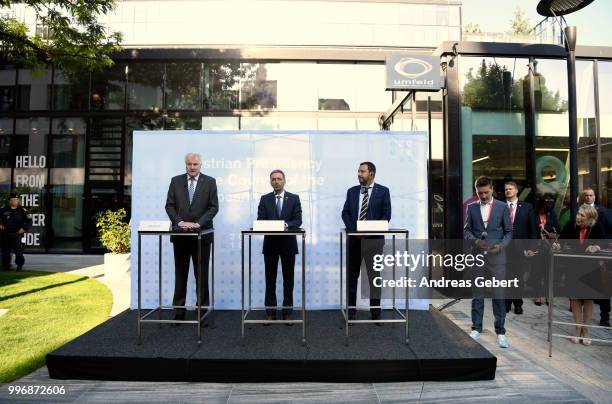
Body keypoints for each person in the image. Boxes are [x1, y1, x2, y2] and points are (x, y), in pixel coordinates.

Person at [165, 153, 219, 324]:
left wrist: (198, 224)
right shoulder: (176, 181)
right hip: (180, 236)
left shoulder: (210, 182)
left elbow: (213, 207)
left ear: (200, 164)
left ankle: (201, 312)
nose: (192, 167)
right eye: (189, 164)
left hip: (202, 236)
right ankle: (179, 311)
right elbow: (169, 205)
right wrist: (179, 222)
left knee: (201, 275)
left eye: (195, 164)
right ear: (185, 165)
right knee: (180, 274)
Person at [464, 176, 512, 348]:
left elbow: (509, 232)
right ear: (476, 191)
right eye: (479, 193)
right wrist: (475, 241)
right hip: (478, 256)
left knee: (499, 294)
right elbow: (467, 230)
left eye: (486, 192)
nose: (483, 196)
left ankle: (500, 332)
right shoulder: (471, 207)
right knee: (477, 294)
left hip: (497, 257)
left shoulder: (502, 207)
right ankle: (476, 327)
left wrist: (501, 246)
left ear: (492, 189)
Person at [341, 162, 391, 321]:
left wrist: (369, 232)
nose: (359, 174)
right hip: (354, 241)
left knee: (374, 278)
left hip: (374, 242)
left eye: (362, 171)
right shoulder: (351, 191)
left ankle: (376, 313)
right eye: (358, 171)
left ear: (372, 173)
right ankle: (351, 312)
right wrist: (355, 230)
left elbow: (386, 215)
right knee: (352, 277)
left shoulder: (383, 191)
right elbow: (345, 213)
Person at [257, 170, 302, 322]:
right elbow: (260, 220)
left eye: (279, 179)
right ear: (270, 182)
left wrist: (285, 224)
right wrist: (272, 225)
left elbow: (298, 220)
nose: (276, 181)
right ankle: (270, 312)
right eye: (273, 179)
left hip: (288, 245)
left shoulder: (294, 198)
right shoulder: (265, 199)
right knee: (270, 280)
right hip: (270, 245)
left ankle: (287, 312)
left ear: (284, 181)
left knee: (288, 280)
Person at [558, 205, 605, 345]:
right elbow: (561, 241)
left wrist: (596, 247)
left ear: (590, 218)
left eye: (582, 216)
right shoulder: (569, 225)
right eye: (578, 213)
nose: (578, 217)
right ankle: (577, 329)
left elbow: (603, 242)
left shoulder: (597, 227)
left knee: (588, 299)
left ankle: (586, 330)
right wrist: (557, 246)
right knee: (575, 298)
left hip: (591, 268)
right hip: (573, 267)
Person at [503, 181, 537, 315]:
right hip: (504, 247)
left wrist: (532, 248)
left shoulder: (527, 207)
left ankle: (518, 303)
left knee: (518, 277)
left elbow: (532, 229)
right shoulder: (499, 207)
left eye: (510, 189)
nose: (508, 191)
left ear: (516, 191)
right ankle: (506, 303)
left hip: (520, 248)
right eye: (506, 189)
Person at [533, 193, 561, 306]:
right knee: (537, 271)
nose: (542, 211)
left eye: (544, 209)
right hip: (537, 245)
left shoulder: (552, 213)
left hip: (549, 246)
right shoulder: (533, 214)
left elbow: (558, 227)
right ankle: (538, 295)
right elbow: (530, 227)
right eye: (541, 209)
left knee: (549, 271)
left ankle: (548, 296)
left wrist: (546, 229)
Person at [0, 193, 32, 271]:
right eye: (12, 200)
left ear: (18, 201)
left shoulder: (23, 210)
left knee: (19, 252)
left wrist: (24, 228)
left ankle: (19, 266)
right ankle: (6, 266)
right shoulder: (3, 209)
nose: (14, 201)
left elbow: (29, 221)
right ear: (9, 201)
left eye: (16, 200)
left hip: (17, 234)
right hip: (5, 234)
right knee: (5, 252)